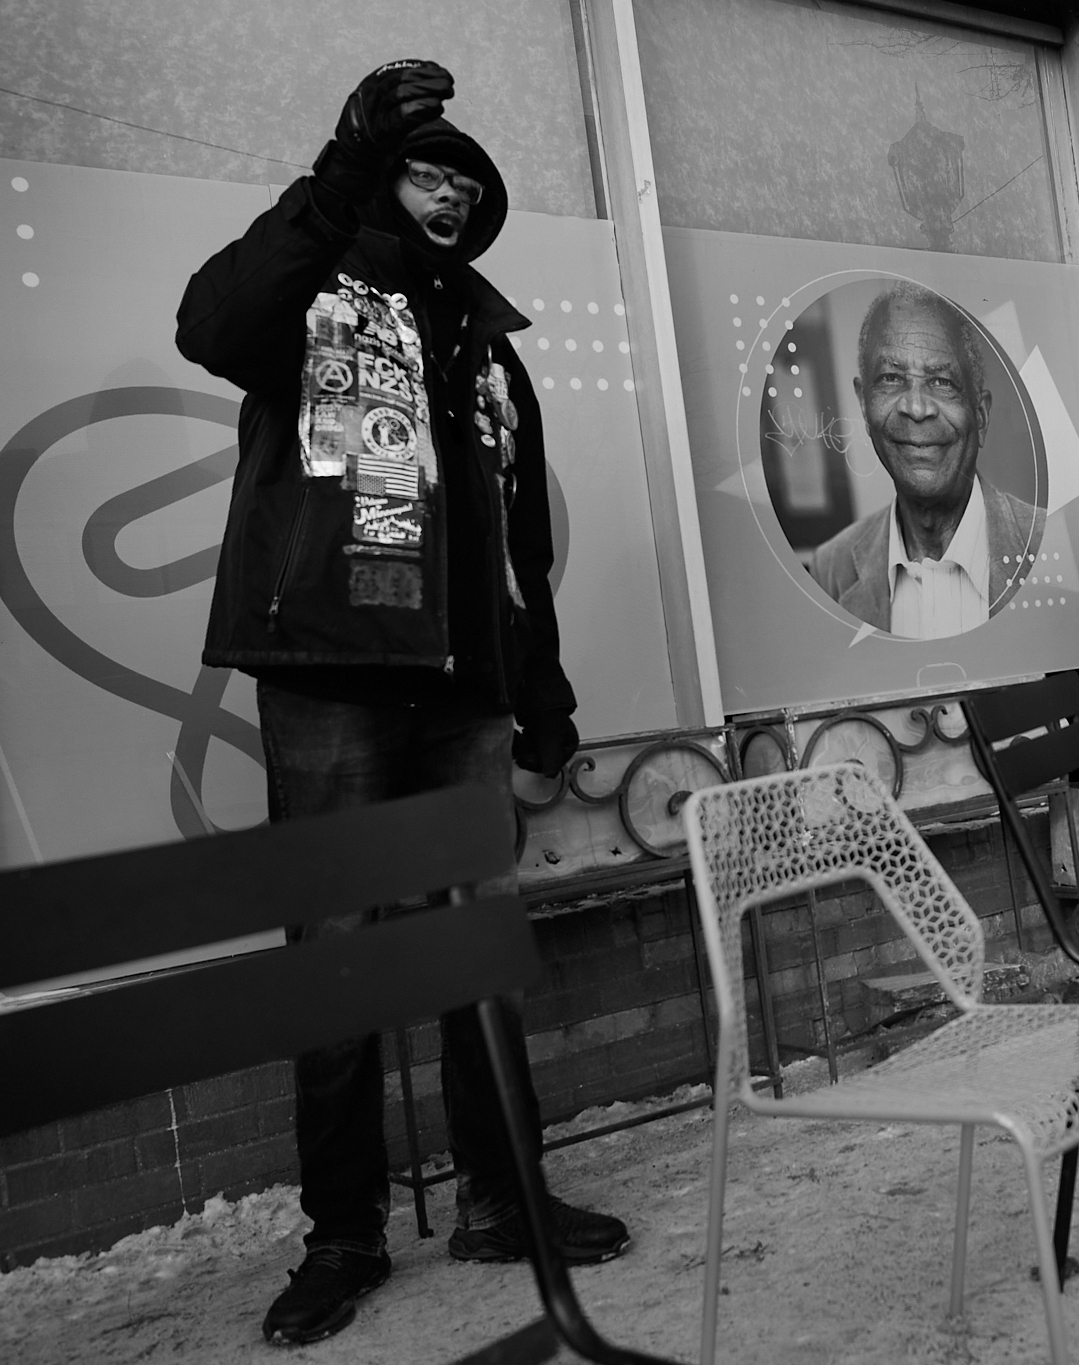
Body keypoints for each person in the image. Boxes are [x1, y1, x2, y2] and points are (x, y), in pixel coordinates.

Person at [175, 61, 628, 1345]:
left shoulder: (489, 345)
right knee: (336, 962)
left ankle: (501, 1201)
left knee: (475, 951)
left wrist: (542, 696)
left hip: (468, 685)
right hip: (331, 674)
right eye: (428, 169)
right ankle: (343, 1234)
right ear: (382, 176)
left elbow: (516, 546)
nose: (449, 192)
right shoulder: (314, 292)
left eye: (467, 183)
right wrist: (331, 173)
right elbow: (211, 327)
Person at [809, 283, 1044, 639]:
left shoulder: (1042, 541)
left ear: (980, 415)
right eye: (891, 379)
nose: (916, 408)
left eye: (941, 381)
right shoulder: (831, 568)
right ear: (863, 402)